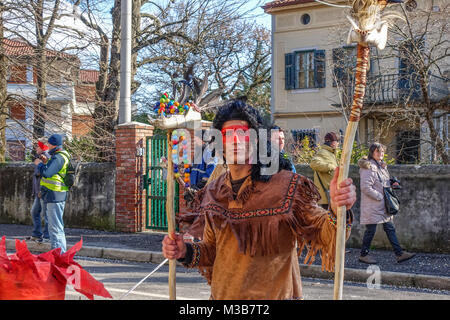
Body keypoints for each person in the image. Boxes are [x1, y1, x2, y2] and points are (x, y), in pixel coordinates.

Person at [162, 100, 356, 300]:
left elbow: (326, 233)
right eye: (228, 135)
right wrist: (184, 250)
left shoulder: (286, 186)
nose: (236, 140)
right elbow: (213, 251)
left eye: (243, 133)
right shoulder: (214, 190)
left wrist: (337, 207)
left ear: (256, 141)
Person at [358, 142, 415, 264]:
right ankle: (363, 255)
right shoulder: (369, 166)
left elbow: (381, 184)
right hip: (374, 205)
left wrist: (392, 183)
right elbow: (365, 187)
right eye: (378, 151)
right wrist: (379, 196)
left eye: (382, 151)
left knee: (390, 228)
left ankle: (399, 254)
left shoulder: (380, 166)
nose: (381, 153)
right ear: (372, 152)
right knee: (370, 230)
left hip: (383, 205)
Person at [35, 134, 71, 253]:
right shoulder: (58, 155)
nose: (47, 145)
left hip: (55, 195)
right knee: (54, 226)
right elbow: (52, 170)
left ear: (53, 144)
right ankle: (58, 254)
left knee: (55, 228)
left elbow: (47, 173)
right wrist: (45, 162)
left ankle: (58, 255)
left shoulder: (58, 157)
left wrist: (39, 164)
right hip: (54, 194)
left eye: (49, 143)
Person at [26, 140, 50, 243]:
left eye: (38, 147)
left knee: (46, 214)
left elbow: (44, 174)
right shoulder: (40, 158)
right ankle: (37, 234)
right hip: (38, 192)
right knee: (35, 212)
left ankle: (47, 236)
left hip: (43, 191)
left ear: (42, 148)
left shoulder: (45, 158)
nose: (36, 149)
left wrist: (40, 190)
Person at [310, 132, 340, 209]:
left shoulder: (331, 153)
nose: (338, 144)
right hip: (326, 195)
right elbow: (313, 163)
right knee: (329, 219)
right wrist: (331, 167)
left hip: (331, 193)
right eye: (337, 141)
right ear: (332, 143)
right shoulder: (323, 152)